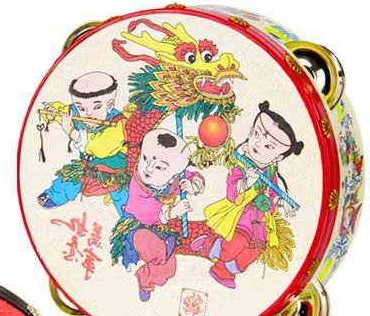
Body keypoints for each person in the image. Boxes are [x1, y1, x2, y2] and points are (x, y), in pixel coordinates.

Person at [204, 102, 303, 288]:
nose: (257, 144)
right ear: (250, 132)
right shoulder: (240, 163)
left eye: (268, 146)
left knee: (257, 249)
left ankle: (223, 260)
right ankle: (218, 262)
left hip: (260, 221)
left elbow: (273, 193)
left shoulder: (270, 171)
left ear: (278, 157)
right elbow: (233, 191)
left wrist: (281, 202)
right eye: (256, 134)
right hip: (241, 217)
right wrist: (247, 180)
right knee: (236, 243)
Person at [110, 129, 204, 301]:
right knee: (152, 246)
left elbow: (192, 174)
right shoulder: (139, 182)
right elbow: (145, 215)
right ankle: (160, 251)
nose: (148, 168)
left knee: (169, 269)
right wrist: (172, 213)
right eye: (145, 159)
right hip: (136, 227)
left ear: (174, 175)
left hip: (159, 231)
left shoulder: (173, 178)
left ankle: (145, 279)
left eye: (159, 167)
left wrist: (194, 185)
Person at [37, 72, 130, 214]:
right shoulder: (75, 113)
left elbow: (99, 148)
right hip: (88, 166)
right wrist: (51, 113)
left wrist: (70, 131)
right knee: (69, 179)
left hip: (116, 173)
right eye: (81, 108)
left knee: (124, 198)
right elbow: (62, 111)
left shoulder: (118, 124)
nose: (88, 114)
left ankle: (130, 220)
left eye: (97, 107)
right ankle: (56, 195)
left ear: (110, 105)